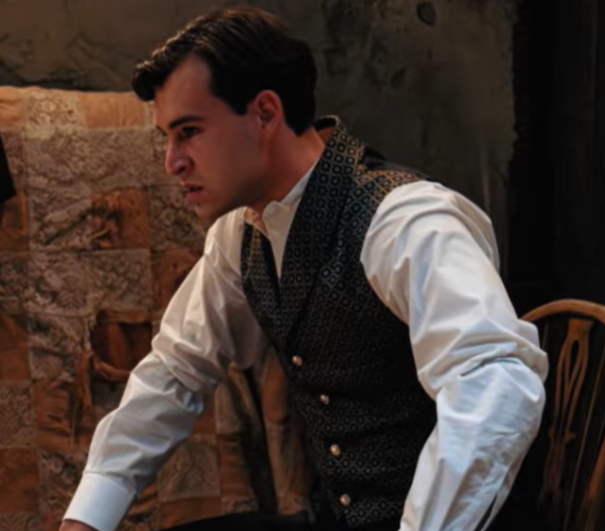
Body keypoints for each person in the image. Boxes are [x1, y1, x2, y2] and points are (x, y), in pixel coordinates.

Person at [60, 6, 547, 531]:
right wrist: (86, 520)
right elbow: (176, 371)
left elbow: (495, 383)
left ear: (265, 113)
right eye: (167, 138)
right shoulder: (240, 234)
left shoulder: (404, 221)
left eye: (190, 131)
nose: (172, 162)